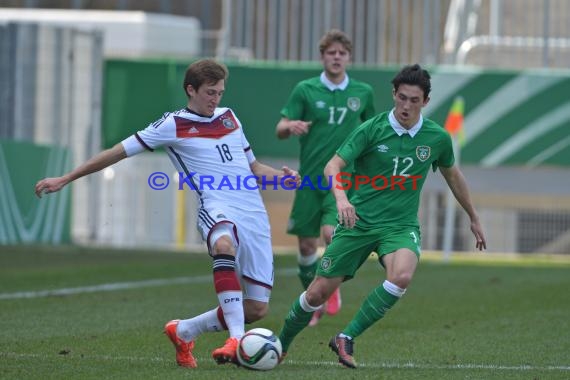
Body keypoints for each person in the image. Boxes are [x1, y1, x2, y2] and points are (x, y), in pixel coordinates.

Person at [35, 58, 300, 369]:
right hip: (216, 207)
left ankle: (184, 330)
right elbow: (117, 152)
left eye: (220, 92)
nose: (216, 99)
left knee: (256, 308)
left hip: (255, 216)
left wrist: (280, 177)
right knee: (223, 245)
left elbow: (253, 168)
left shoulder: (230, 117)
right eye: (210, 93)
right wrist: (66, 177)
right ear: (191, 89)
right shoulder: (172, 125)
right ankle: (237, 339)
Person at [277, 64, 487, 368]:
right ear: (393, 94)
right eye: (402, 98)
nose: (406, 106)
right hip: (358, 222)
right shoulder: (371, 129)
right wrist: (341, 199)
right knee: (316, 293)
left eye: (414, 100)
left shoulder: (437, 138)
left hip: (400, 226)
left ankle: (346, 337)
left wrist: (473, 216)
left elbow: (453, 176)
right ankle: (280, 344)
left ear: (425, 102)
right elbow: (332, 167)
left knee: (401, 276)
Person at [275, 29, 376, 326]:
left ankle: (329, 288)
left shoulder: (362, 92)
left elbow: (372, 132)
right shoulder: (305, 90)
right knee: (306, 247)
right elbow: (279, 128)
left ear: (348, 57)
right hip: (309, 180)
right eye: (331, 53)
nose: (336, 57)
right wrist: (289, 125)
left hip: (342, 181)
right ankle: (314, 300)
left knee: (331, 235)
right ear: (322, 56)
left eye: (341, 53)